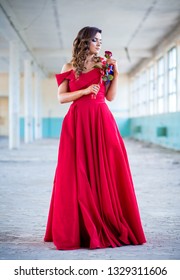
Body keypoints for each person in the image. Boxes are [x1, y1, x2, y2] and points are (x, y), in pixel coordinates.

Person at [44, 26, 146, 250]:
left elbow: (110, 97)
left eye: (101, 40)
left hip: (102, 120)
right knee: (74, 172)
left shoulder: (104, 66)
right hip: (77, 121)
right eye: (95, 40)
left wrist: (116, 75)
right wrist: (82, 91)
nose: (99, 44)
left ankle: (108, 220)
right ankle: (78, 228)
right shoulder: (69, 67)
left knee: (106, 168)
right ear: (85, 41)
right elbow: (61, 98)